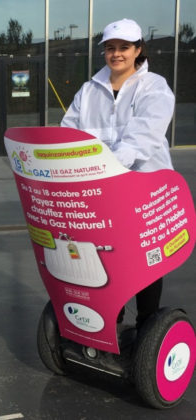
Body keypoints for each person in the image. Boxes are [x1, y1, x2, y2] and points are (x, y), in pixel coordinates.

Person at [61, 18, 175, 328]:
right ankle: (110, 321)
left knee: (146, 262)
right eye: (110, 48)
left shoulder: (154, 87)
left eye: (124, 47)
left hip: (145, 191)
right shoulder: (88, 91)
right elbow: (69, 134)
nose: (117, 54)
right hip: (102, 194)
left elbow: (143, 138)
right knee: (107, 259)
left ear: (138, 49)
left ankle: (147, 327)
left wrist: (102, 168)